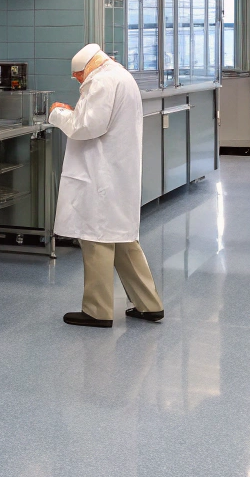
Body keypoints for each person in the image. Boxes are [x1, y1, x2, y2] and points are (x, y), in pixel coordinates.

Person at [48, 44, 164, 328]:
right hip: (117, 174)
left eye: (78, 75)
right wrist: (75, 113)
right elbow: (96, 119)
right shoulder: (121, 76)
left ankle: (97, 310)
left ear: (88, 67)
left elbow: (87, 126)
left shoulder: (101, 81)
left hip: (101, 176)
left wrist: (58, 114)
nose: (78, 80)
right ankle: (148, 303)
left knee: (96, 238)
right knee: (123, 239)